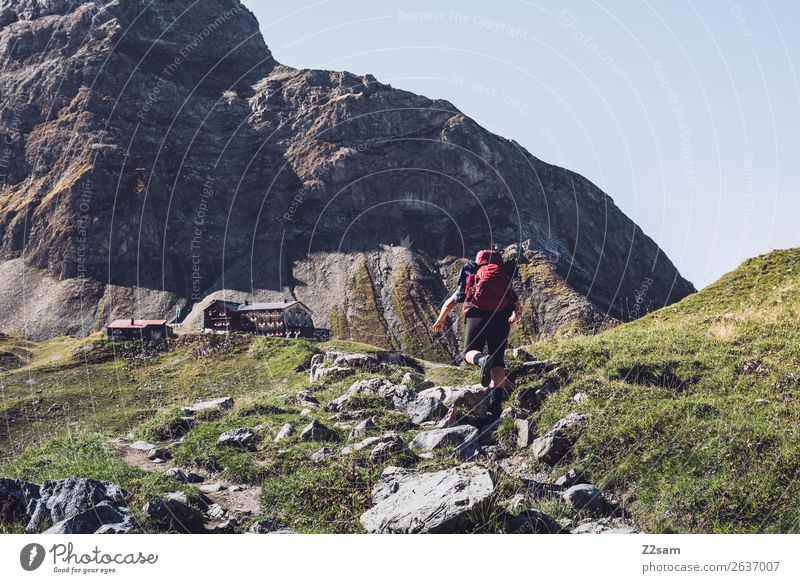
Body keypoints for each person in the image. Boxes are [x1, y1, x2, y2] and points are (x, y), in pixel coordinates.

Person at [432, 249, 521, 417]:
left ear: (479, 261)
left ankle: (481, 361)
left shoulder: (473, 278)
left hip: (477, 316)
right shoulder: (504, 279)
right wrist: (512, 319)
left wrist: (441, 319)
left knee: (469, 353)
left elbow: (450, 303)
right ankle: (495, 408)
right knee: (498, 364)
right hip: (501, 318)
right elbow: (517, 308)